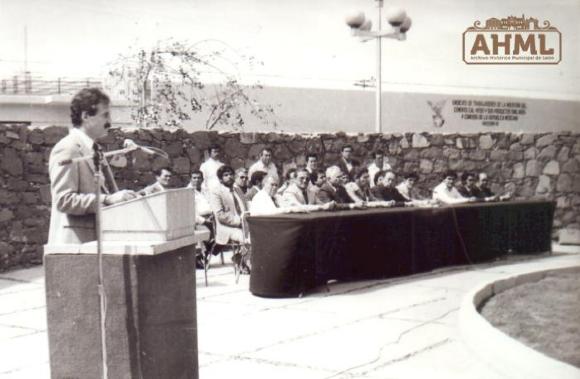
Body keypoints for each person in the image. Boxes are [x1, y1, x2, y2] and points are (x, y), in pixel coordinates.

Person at [48, 88, 137, 244]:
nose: (110, 122)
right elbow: (63, 200)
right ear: (86, 116)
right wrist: (107, 199)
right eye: (105, 115)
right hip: (76, 247)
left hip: (97, 245)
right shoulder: (68, 149)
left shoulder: (94, 149)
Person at [251, 175, 334, 216]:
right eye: (272, 185)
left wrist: (321, 207)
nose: (275, 187)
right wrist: (291, 209)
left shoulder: (277, 197)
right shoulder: (260, 197)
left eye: (276, 185)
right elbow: (272, 213)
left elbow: (299, 207)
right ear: (264, 184)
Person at [208, 165, 246, 245]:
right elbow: (220, 216)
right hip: (227, 227)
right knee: (246, 237)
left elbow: (245, 207)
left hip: (244, 224)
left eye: (231, 174)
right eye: (226, 175)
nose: (229, 177)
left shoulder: (237, 189)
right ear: (220, 179)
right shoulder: (216, 192)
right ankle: (244, 257)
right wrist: (240, 222)